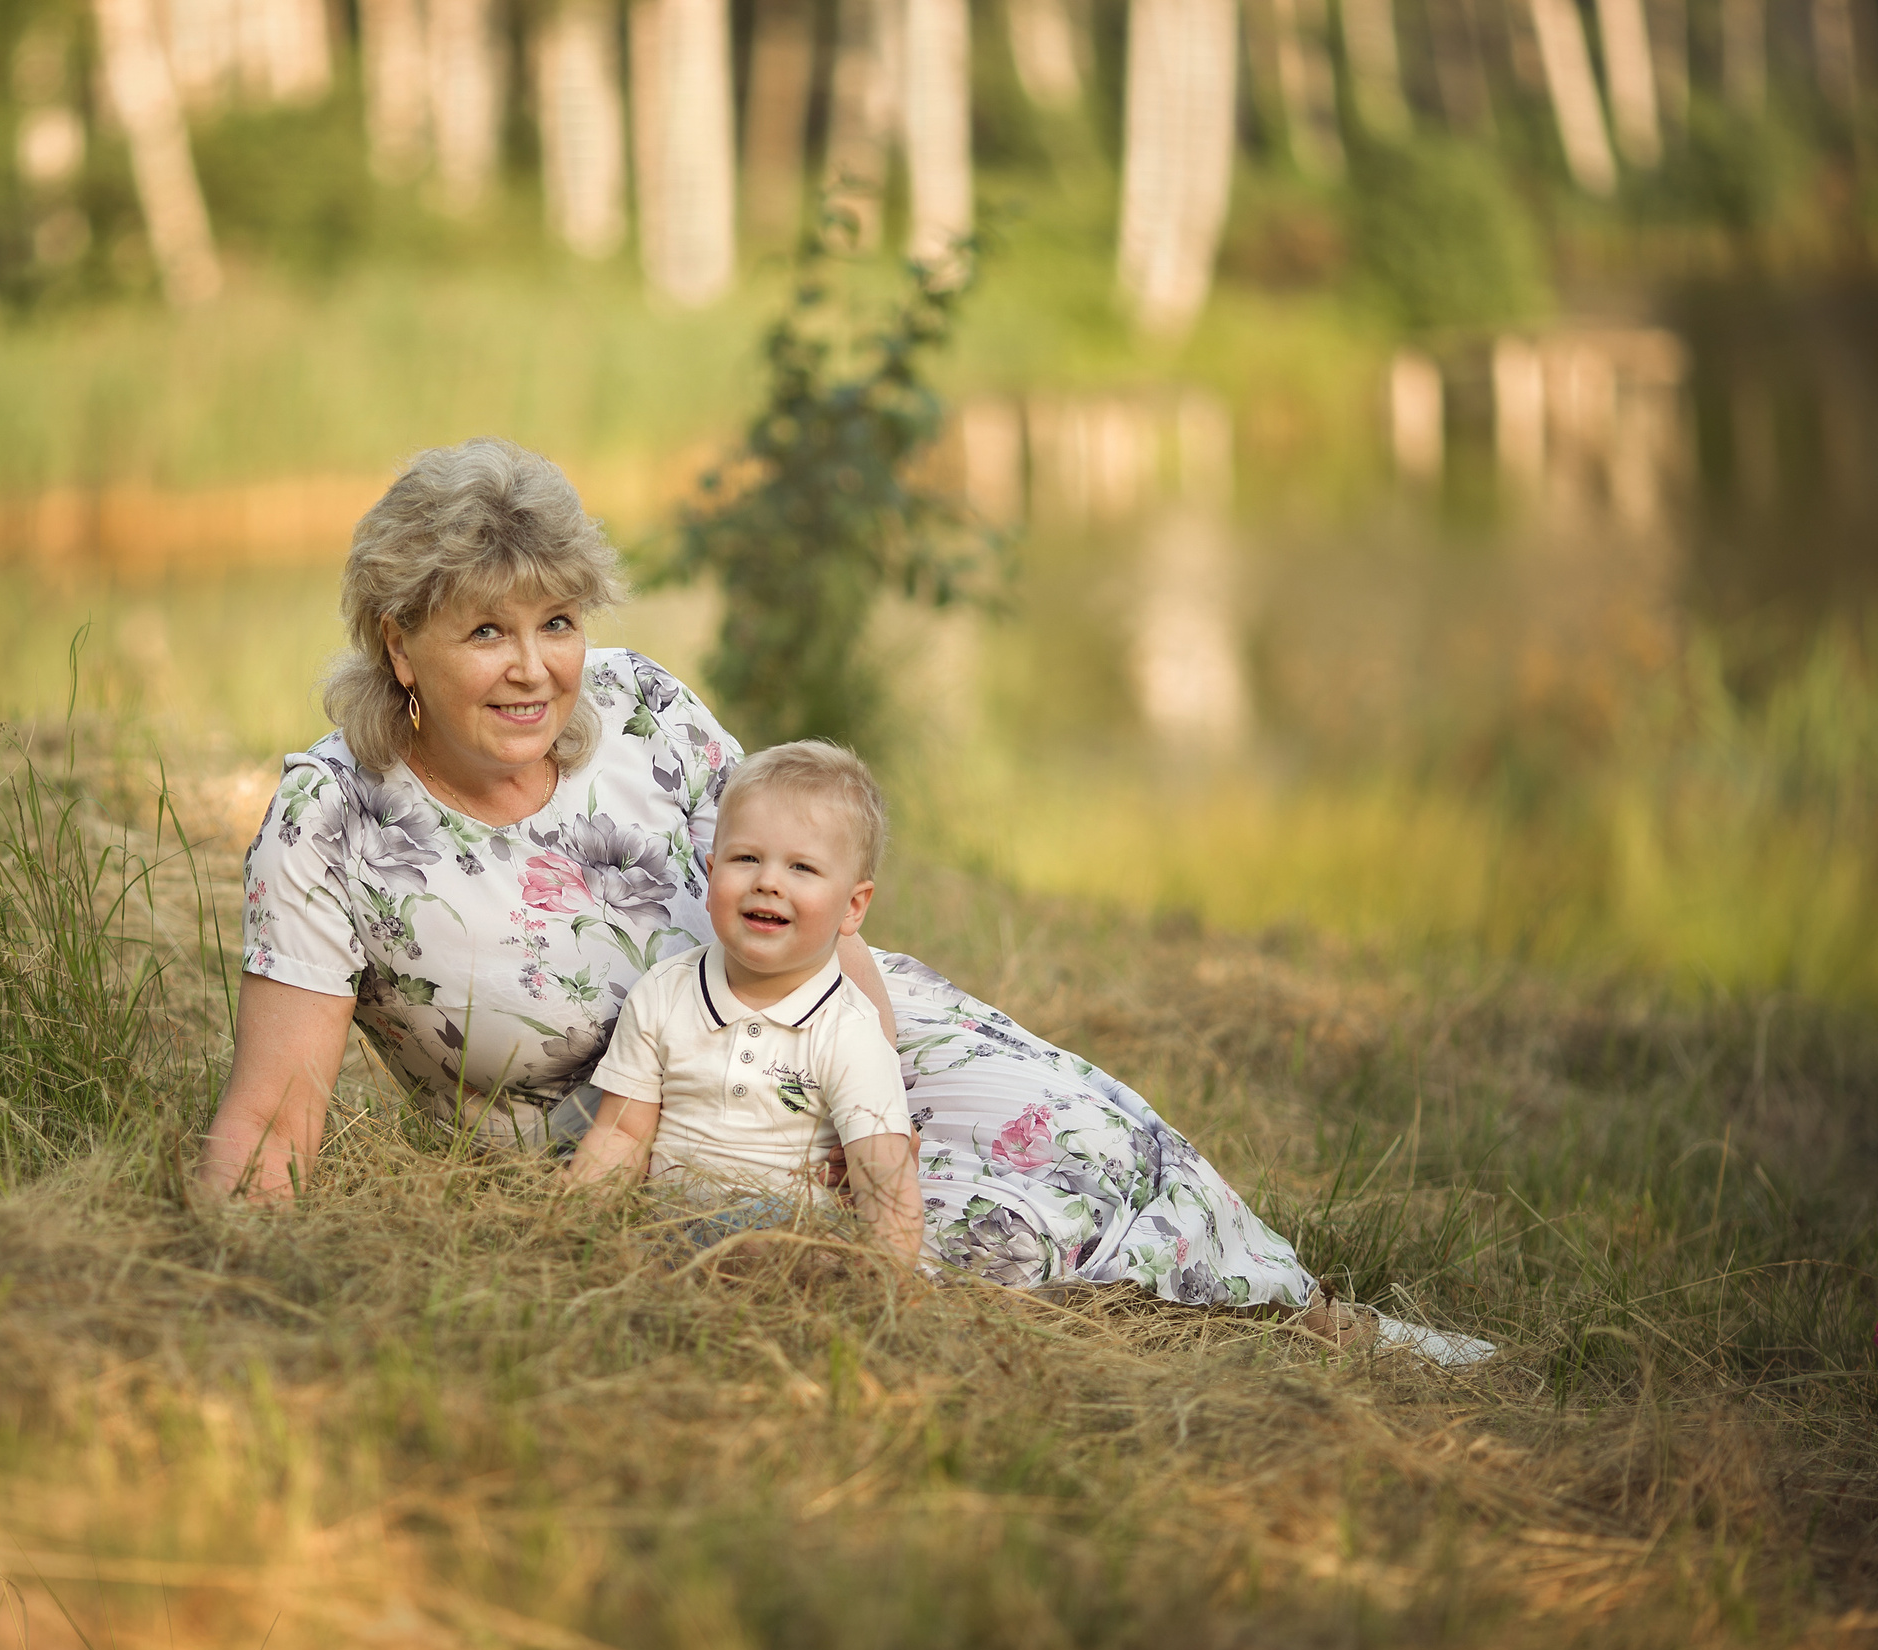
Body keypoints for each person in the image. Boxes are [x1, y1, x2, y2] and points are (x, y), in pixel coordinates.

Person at [202, 437, 1431, 1350]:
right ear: (396, 640)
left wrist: (868, 1100)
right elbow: (273, 1125)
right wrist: (231, 1300)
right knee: (982, 1236)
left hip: (843, 1018)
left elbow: (799, 863)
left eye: (558, 620)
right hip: (648, 1143)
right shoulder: (335, 822)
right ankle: (1203, 1347)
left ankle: (1320, 1325)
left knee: (1086, 1126)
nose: (537, 671)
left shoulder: (637, 704)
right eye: (485, 634)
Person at [561, 742, 924, 1267]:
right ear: (710, 878)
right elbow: (621, 1135)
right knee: (637, 1246)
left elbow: (885, 1183)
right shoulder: (664, 994)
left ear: (853, 906)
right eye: (746, 858)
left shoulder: (850, 1031)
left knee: (798, 1249)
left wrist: (896, 1290)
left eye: (802, 867)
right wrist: (574, 1224)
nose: (768, 881)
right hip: (669, 1226)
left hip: (791, 1239)